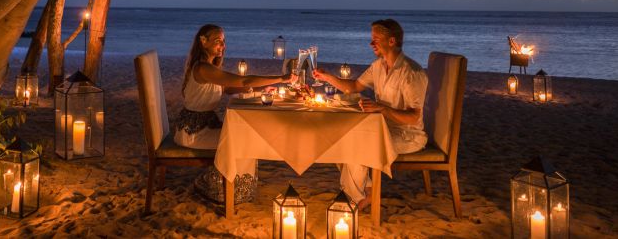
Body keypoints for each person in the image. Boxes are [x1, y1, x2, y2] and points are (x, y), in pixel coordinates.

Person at [313, 18, 428, 210]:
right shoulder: (378, 66)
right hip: (380, 127)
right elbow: (353, 87)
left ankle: (350, 200)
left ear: (391, 41)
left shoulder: (412, 72)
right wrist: (327, 77)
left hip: (408, 135)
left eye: (375, 39)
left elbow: (414, 116)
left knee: (359, 145)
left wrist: (382, 109)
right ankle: (366, 192)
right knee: (340, 138)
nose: (371, 43)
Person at [175, 24, 295, 203]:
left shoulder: (209, 68)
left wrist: (259, 89)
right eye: (217, 42)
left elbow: (230, 88)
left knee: (245, 134)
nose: (222, 46)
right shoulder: (203, 69)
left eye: (223, 42)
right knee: (243, 139)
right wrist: (281, 78)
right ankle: (220, 188)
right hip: (193, 132)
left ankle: (233, 186)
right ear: (203, 42)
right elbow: (243, 79)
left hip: (203, 126)